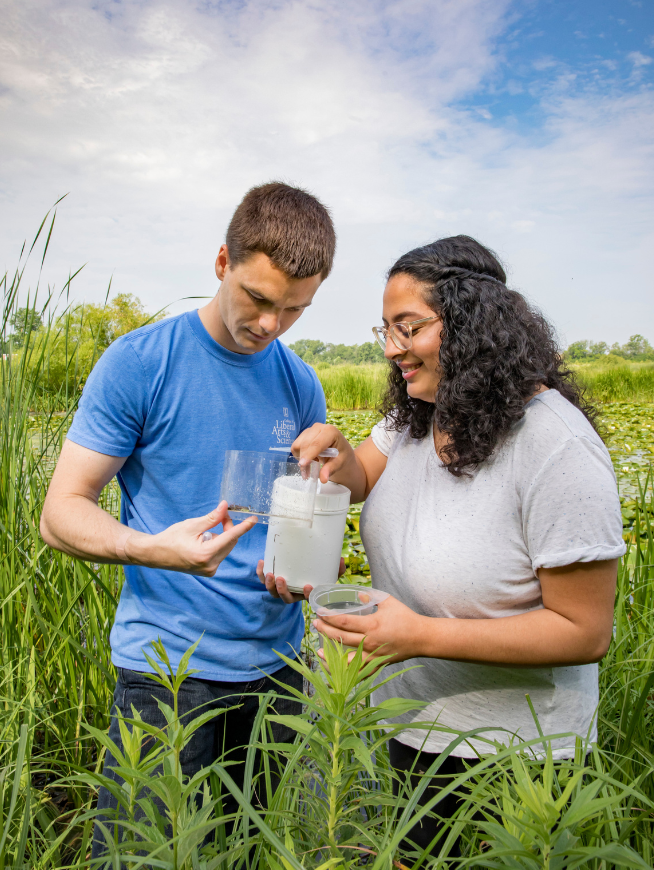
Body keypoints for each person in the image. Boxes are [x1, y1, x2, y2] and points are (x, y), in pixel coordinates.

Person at [289, 235, 625, 858]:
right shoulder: (419, 414)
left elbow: (584, 631)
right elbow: (360, 476)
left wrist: (418, 636)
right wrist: (336, 451)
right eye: (384, 330)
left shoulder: (555, 447)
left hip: (515, 759)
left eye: (408, 328)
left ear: (472, 322)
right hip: (414, 730)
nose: (392, 350)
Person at [40, 181, 337, 852]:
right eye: (258, 298)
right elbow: (60, 514)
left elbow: (286, 516)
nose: (270, 325)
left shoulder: (302, 382)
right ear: (221, 262)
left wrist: (298, 562)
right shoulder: (140, 363)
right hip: (167, 673)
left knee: (248, 852)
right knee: (143, 854)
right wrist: (154, 549)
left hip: (278, 669)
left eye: (294, 309)